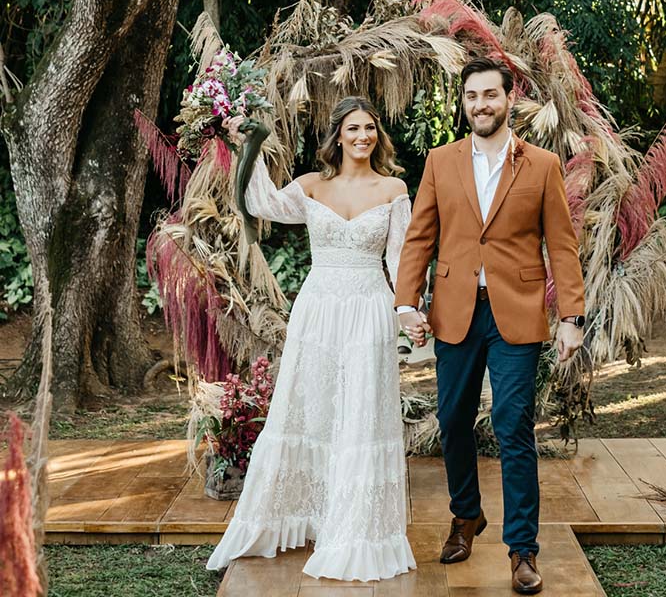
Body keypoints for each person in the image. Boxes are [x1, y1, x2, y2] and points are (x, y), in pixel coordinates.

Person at [395, 57, 585, 596]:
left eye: (490, 94)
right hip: (454, 309)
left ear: (510, 99)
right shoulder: (439, 161)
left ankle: (522, 549)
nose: (480, 104)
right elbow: (419, 238)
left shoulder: (543, 165)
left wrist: (571, 316)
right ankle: (466, 515)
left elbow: (562, 246)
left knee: (512, 425)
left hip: (517, 311)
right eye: (471, 95)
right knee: (453, 419)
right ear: (464, 102)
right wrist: (406, 303)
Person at [206, 96, 416, 583]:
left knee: (361, 414)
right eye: (352, 128)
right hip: (318, 310)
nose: (361, 136)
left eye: (369, 128)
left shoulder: (393, 189)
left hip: (368, 308)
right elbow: (260, 204)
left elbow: (401, 259)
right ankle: (307, 516)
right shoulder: (310, 186)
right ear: (337, 136)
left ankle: (356, 529)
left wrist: (407, 311)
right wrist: (247, 144)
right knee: (312, 406)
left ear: (377, 135)